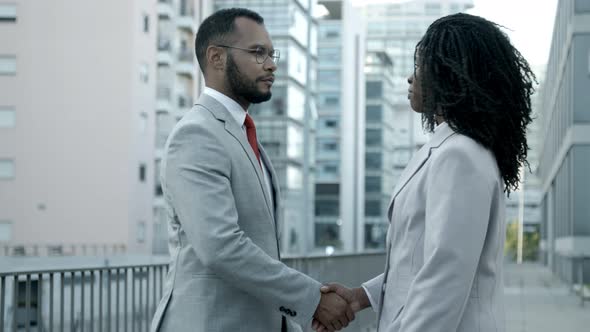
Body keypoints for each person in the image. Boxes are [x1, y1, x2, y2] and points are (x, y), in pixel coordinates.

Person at [316, 13, 535, 332]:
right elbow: (419, 263)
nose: (410, 77)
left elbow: (443, 280)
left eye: (419, 66)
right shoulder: (451, 149)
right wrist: (360, 297)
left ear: (449, 74)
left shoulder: (460, 155)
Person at [150, 8, 354, 332]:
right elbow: (221, 247)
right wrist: (312, 299)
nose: (272, 64)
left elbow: (262, 249)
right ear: (217, 57)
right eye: (258, 53)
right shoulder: (197, 135)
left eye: (273, 54)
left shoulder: (242, 133)